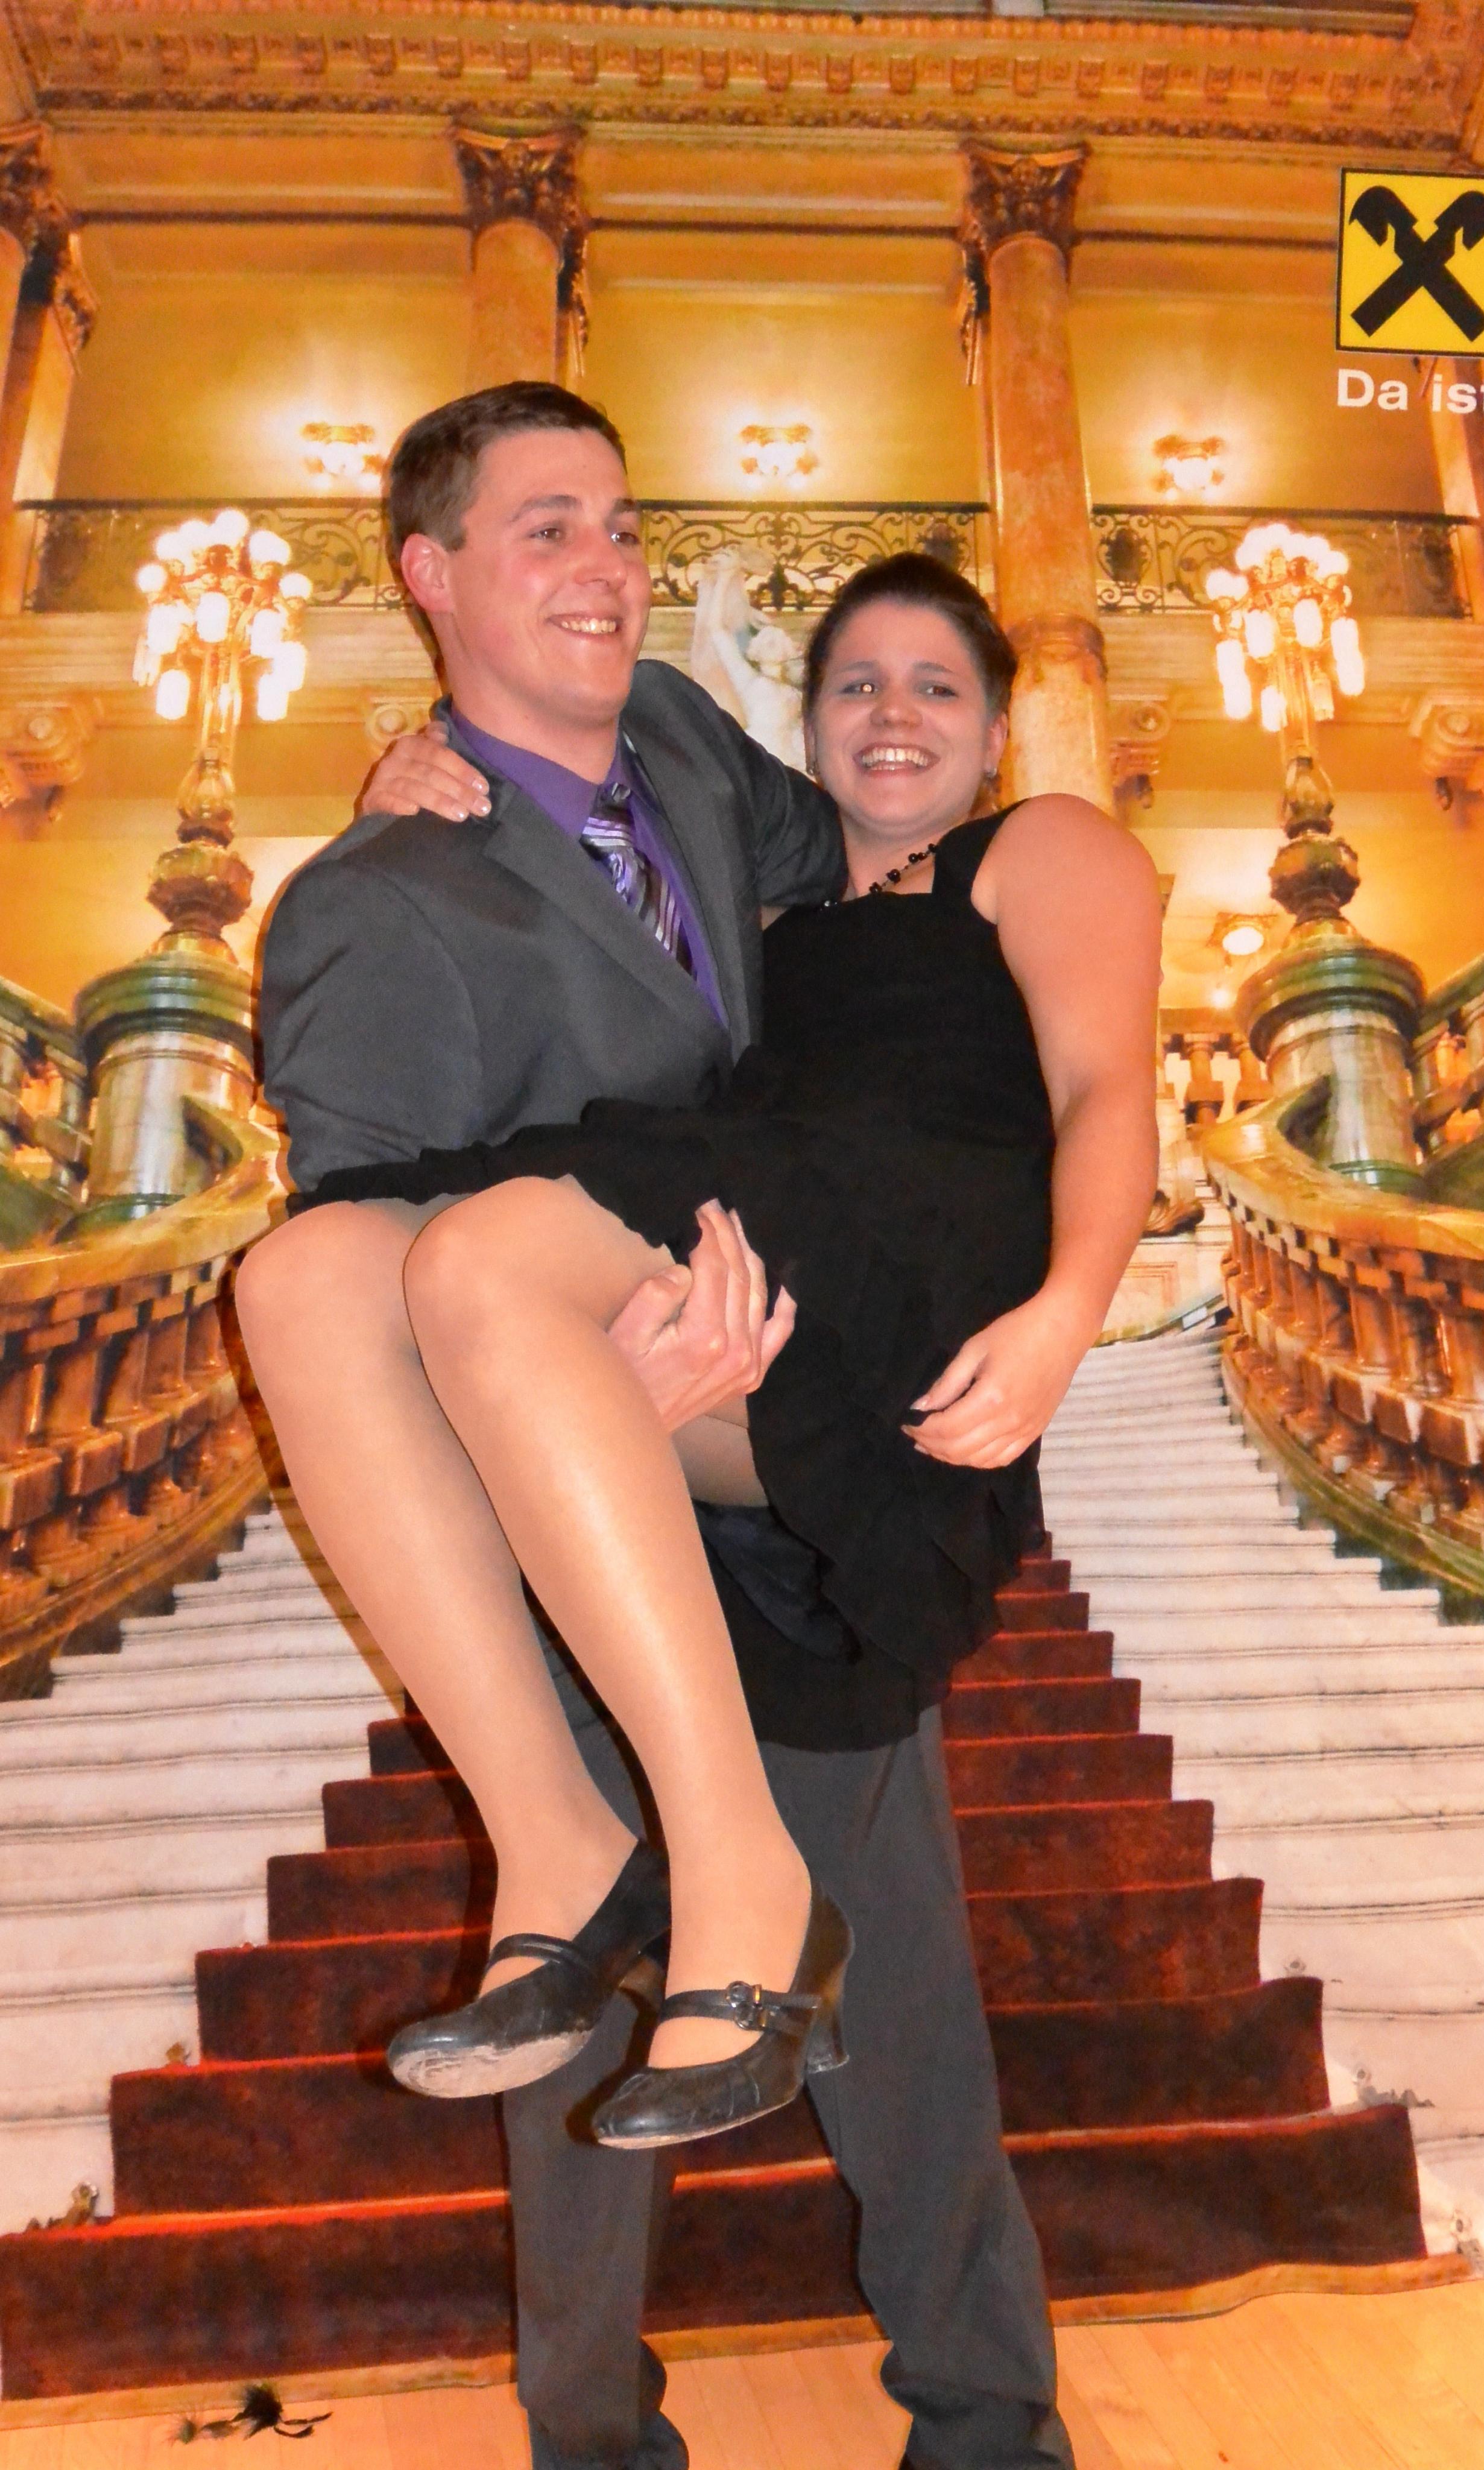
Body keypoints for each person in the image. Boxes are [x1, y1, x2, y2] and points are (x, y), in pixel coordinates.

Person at [241, 377, 1158, 2469]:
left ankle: (986, 2420)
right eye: (545, 527)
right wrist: (401, 787)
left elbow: (1036, 1010)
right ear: (432, 575)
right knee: (309, 1284)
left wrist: (1058, 1307)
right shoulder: (387, 890)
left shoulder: (689, 751)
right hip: (576, 1472)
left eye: (619, 523)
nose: (606, 564)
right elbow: (360, 1226)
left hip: (803, 1434)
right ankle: (590, 2434)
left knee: (894, 1994)